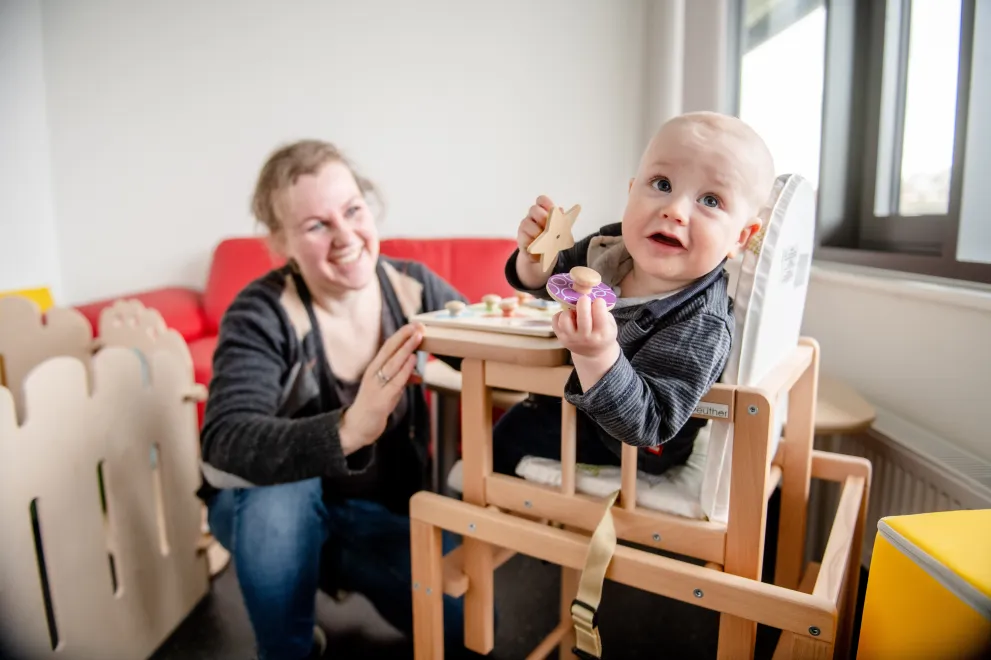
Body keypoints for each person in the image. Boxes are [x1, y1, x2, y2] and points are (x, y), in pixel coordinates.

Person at [197, 139, 472, 659]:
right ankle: (287, 646)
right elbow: (224, 439)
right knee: (281, 497)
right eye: (316, 225)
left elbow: (493, 350)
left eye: (352, 211)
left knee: (472, 627)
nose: (346, 237)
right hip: (268, 516)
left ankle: (324, 564)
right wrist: (350, 430)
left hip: (370, 515)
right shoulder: (260, 312)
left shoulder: (413, 290)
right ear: (282, 244)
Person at [492, 111, 776, 479]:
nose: (674, 210)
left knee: (510, 433)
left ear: (739, 237)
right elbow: (556, 276)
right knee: (517, 412)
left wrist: (598, 354)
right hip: (582, 406)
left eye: (710, 200)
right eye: (661, 184)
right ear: (631, 192)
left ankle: (498, 521)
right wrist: (534, 259)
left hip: (629, 445)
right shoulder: (613, 247)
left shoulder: (701, 322)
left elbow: (649, 424)